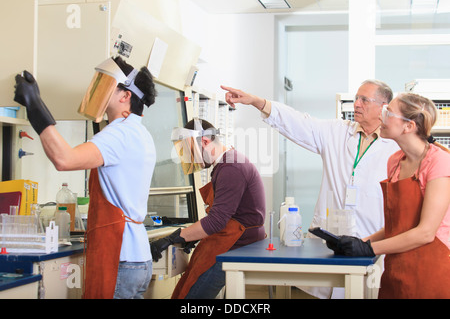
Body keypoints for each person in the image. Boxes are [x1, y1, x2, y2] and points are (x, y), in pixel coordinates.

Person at [222, 80, 399, 299]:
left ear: (384, 106)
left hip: (368, 242)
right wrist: (257, 102)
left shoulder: (396, 146)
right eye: (356, 98)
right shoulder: (337, 132)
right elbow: (298, 122)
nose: (356, 104)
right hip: (328, 243)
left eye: (364, 100)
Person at [13, 56, 157, 299]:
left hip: (118, 256)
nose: (97, 91)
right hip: (137, 258)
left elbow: (64, 159)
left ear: (125, 96)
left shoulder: (119, 134)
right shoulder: (138, 133)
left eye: (106, 85)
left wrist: (35, 105)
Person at [327, 93, 450, 299]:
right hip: (396, 268)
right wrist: (354, 242)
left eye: (387, 113)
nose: (381, 117)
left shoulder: (439, 162)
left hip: (431, 269)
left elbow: (425, 233)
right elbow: (397, 226)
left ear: (408, 126)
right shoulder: (395, 161)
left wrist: (368, 248)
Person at [151, 118, 266, 299]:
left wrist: (176, 236)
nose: (189, 158)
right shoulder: (227, 162)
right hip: (228, 239)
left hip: (235, 244)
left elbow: (216, 221)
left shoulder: (231, 167)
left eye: (190, 152)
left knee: (191, 297)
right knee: (185, 286)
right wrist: (193, 235)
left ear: (204, 142)